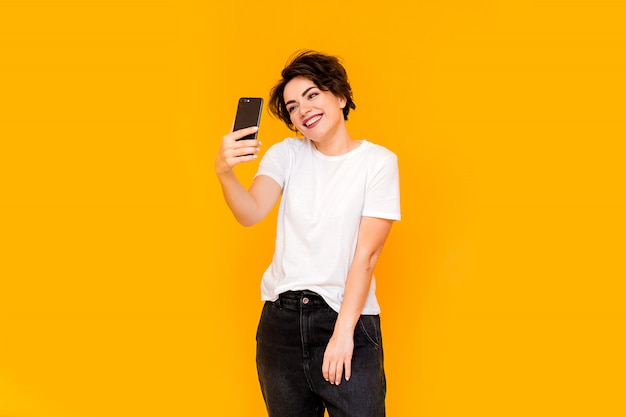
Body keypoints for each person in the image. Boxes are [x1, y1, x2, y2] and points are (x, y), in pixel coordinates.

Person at [215, 50, 401, 417]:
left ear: (341, 96)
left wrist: (343, 333)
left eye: (312, 95)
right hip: (280, 323)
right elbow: (250, 213)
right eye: (292, 106)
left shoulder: (377, 163)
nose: (303, 110)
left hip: (344, 317)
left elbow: (367, 255)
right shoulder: (287, 155)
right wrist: (224, 172)